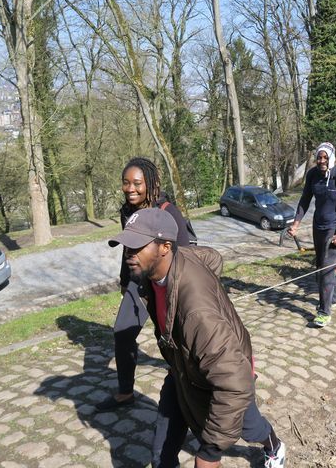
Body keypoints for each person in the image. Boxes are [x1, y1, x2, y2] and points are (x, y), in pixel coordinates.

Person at [108, 208, 285, 468]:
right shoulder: (155, 274)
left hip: (223, 371)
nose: (128, 255)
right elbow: (211, 257)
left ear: (165, 247)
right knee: (162, 453)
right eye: (126, 247)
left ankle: (274, 446)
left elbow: (235, 383)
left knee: (248, 423)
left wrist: (210, 452)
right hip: (183, 368)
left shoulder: (198, 311)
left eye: (137, 247)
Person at [96, 157, 197, 412]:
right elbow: (128, 250)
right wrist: (124, 281)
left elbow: (185, 255)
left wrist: (177, 295)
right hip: (138, 285)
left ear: (152, 183)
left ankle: (192, 389)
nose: (130, 188)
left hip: (168, 287)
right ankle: (125, 393)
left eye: (137, 183)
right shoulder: (127, 212)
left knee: (175, 341)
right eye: (125, 183)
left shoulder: (168, 212)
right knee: (122, 333)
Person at [287, 142, 336, 328]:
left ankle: (323, 312)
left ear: (331, 157)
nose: (321, 161)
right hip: (318, 227)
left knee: (326, 269)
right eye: (319, 157)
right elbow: (304, 201)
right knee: (320, 268)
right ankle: (332, 297)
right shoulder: (312, 175)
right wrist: (296, 224)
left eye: (325, 157)